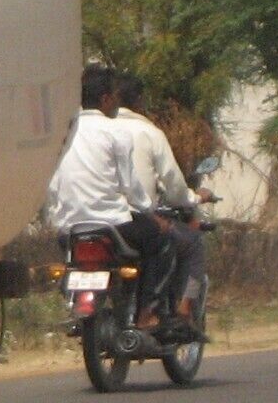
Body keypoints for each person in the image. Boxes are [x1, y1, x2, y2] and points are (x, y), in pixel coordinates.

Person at [44, 65, 179, 332]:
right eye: (115, 96)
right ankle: (146, 313)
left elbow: (52, 183)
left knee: (71, 263)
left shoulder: (63, 132)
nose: (117, 102)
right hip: (113, 225)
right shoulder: (115, 131)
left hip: (70, 228)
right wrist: (152, 212)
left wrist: (55, 216)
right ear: (105, 99)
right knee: (162, 240)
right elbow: (131, 187)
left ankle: (73, 304)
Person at [113, 73, 212, 336]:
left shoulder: (85, 130)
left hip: (79, 223)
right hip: (132, 220)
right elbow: (173, 184)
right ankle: (181, 311)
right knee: (192, 244)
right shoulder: (148, 133)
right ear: (139, 101)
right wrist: (193, 198)